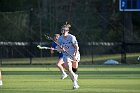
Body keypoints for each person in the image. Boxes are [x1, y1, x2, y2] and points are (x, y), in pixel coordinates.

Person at [58, 22, 80, 89]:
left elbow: (76, 47)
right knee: (69, 70)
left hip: (74, 55)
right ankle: (75, 84)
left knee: (74, 69)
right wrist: (62, 50)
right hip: (66, 56)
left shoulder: (72, 37)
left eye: (64, 30)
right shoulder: (60, 38)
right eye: (62, 30)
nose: (63, 31)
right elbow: (58, 48)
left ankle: (74, 76)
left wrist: (75, 55)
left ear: (68, 31)